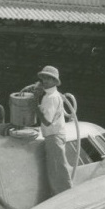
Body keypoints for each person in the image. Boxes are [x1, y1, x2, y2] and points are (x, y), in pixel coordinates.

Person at [34, 66, 72, 196]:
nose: (45, 80)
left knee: (57, 171)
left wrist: (34, 102)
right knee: (56, 170)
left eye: (49, 78)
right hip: (55, 136)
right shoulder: (51, 96)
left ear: (55, 82)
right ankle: (63, 196)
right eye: (44, 78)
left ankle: (64, 199)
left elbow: (46, 121)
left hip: (53, 136)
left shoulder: (50, 98)